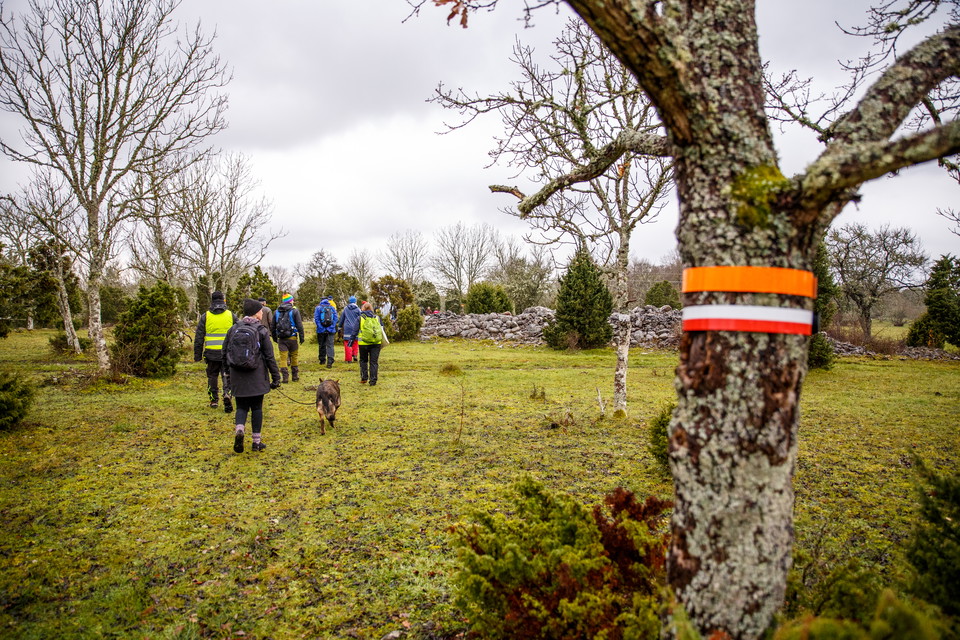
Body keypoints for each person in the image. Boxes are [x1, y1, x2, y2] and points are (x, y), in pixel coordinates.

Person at [223, 298, 281, 453]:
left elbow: (225, 352)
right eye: (260, 310)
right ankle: (256, 442)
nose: (262, 312)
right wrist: (276, 377)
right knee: (257, 408)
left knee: (241, 406)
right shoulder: (261, 330)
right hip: (257, 376)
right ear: (256, 313)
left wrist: (227, 373)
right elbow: (269, 356)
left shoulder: (233, 329)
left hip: (237, 375)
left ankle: (239, 430)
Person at [193, 291, 237, 412]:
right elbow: (239, 331)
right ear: (223, 300)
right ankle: (227, 394)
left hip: (211, 353)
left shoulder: (205, 316)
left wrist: (197, 355)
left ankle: (213, 400)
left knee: (212, 376)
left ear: (212, 301)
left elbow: (199, 337)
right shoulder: (231, 315)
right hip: (227, 352)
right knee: (226, 375)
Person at [272, 293, 304, 382]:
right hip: (292, 337)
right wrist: (301, 337)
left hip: (281, 338)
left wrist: (275, 338)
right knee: (294, 356)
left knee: (283, 358)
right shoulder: (294, 311)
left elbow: (273, 326)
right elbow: (299, 325)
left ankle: (285, 378)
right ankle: (295, 376)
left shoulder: (277, 311)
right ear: (290, 301)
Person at [358, 301, 386, 386]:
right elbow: (382, 328)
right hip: (376, 343)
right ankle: (373, 380)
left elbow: (355, 329)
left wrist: (351, 341)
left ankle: (364, 377)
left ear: (363, 308)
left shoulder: (360, 318)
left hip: (363, 343)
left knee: (363, 360)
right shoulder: (377, 318)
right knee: (374, 362)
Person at [313, 296, 338, 368]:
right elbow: (335, 319)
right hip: (331, 330)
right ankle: (330, 360)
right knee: (330, 345)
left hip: (321, 330)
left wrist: (321, 328)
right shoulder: (332, 308)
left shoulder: (318, 308)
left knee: (322, 345)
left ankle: (322, 360)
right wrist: (331, 327)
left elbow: (316, 319)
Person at [338, 295, 362, 363]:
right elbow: (361, 318)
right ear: (355, 301)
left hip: (347, 328)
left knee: (347, 343)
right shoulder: (358, 309)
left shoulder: (346, 309)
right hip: (355, 328)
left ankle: (348, 359)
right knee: (355, 341)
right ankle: (354, 354)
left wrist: (339, 328)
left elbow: (342, 319)